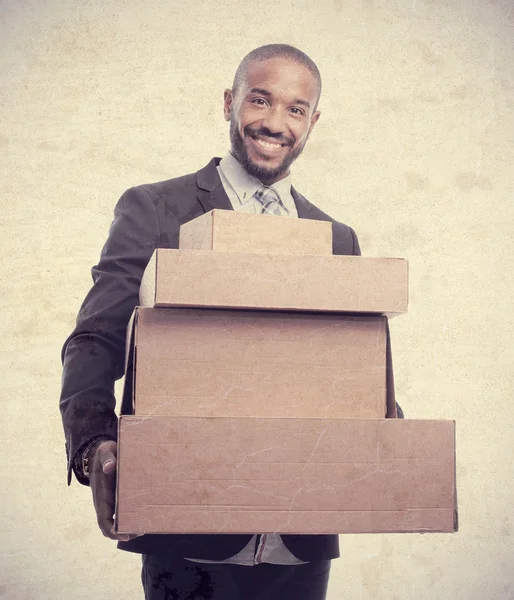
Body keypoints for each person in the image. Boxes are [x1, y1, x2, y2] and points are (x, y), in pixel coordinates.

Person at [60, 44, 364, 600]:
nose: (275, 123)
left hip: (303, 533)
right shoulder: (156, 208)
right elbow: (96, 337)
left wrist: (391, 446)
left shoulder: (337, 239)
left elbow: (355, 373)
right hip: (187, 528)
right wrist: (95, 443)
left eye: (297, 109)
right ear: (230, 102)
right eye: (260, 100)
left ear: (313, 121)